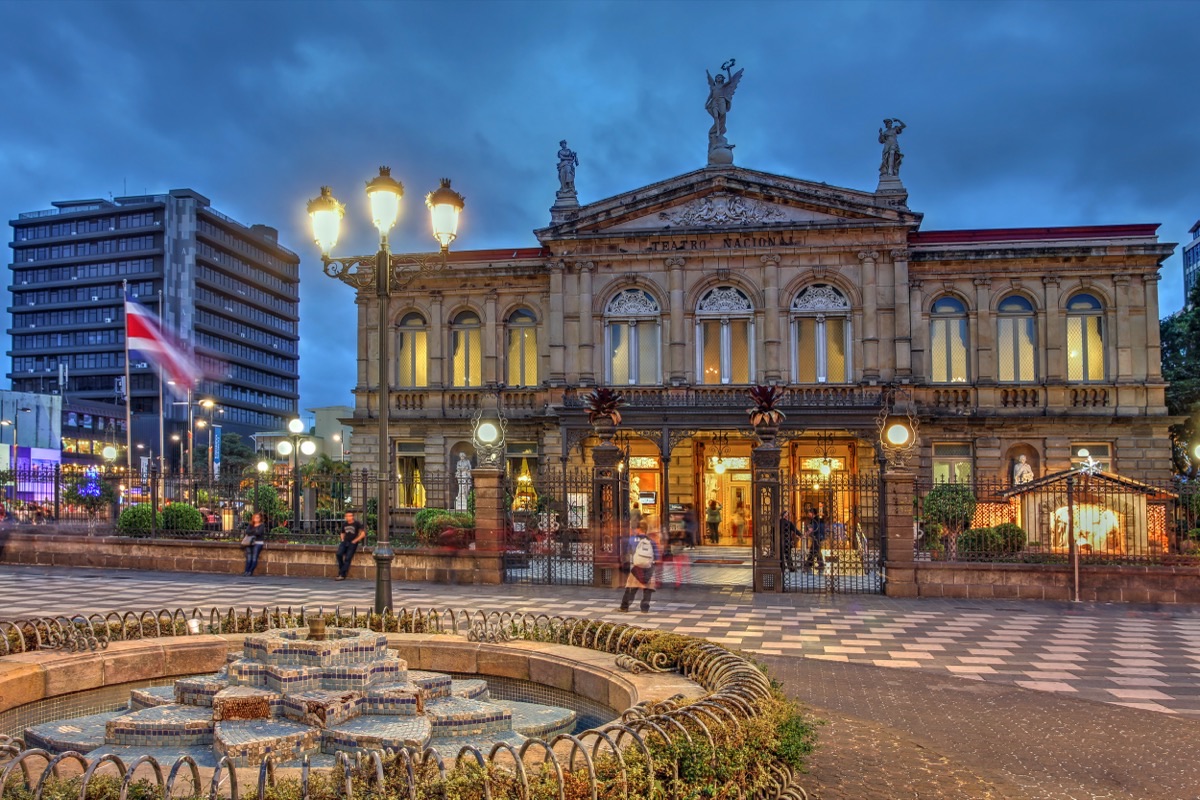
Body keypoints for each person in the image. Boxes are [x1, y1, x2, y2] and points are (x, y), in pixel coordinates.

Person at [618, 524, 659, 613]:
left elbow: (628, 552)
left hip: (636, 567)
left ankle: (624, 606)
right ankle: (644, 608)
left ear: (638, 529)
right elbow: (656, 555)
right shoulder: (651, 541)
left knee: (631, 588)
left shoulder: (632, 540)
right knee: (648, 589)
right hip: (649, 567)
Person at [335, 511, 366, 581]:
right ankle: (342, 571)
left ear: (352, 516)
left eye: (350, 516)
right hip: (345, 542)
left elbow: (363, 533)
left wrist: (355, 540)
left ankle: (341, 574)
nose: (348, 517)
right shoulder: (344, 524)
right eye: (347, 516)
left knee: (348, 558)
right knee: (339, 554)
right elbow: (342, 533)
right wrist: (342, 539)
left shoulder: (356, 523)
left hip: (353, 543)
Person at [802, 508, 827, 573]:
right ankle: (820, 564)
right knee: (816, 550)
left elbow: (811, 529)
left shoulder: (814, 520)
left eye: (809, 513)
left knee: (813, 550)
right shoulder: (819, 519)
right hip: (820, 536)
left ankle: (808, 564)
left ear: (812, 513)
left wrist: (805, 535)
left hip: (816, 537)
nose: (808, 514)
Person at [243, 512, 267, 577]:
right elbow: (247, 531)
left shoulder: (262, 525)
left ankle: (250, 571)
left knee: (254, 557)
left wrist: (252, 532)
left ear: (260, 518)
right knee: (249, 557)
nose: (256, 519)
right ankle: (246, 571)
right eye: (255, 517)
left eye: (258, 517)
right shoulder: (250, 525)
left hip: (258, 543)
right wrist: (254, 532)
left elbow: (259, 533)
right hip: (249, 542)